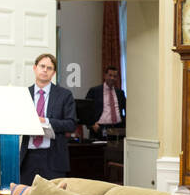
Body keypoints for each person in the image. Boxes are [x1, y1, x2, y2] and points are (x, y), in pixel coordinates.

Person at [20, 53, 77, 183]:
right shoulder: (24, 94)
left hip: (53, 157)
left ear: (54, 73)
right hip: (28, 157)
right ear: (35, 68)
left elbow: (71, 124)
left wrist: (46, 121)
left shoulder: (64, 95)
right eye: (42, 66)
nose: (45, 70)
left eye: (49, 68)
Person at [85, 66, 127, 138]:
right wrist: (91, 125)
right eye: (110, 75)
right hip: (99, 129)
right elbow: (86, 110)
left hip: (118, 128)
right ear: (105, 76)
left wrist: (127, 125)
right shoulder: (94, 91)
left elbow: (128, 109)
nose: (112, 78)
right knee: (100, 149)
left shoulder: (120, 93)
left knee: (118, 149)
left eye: (115, 76)